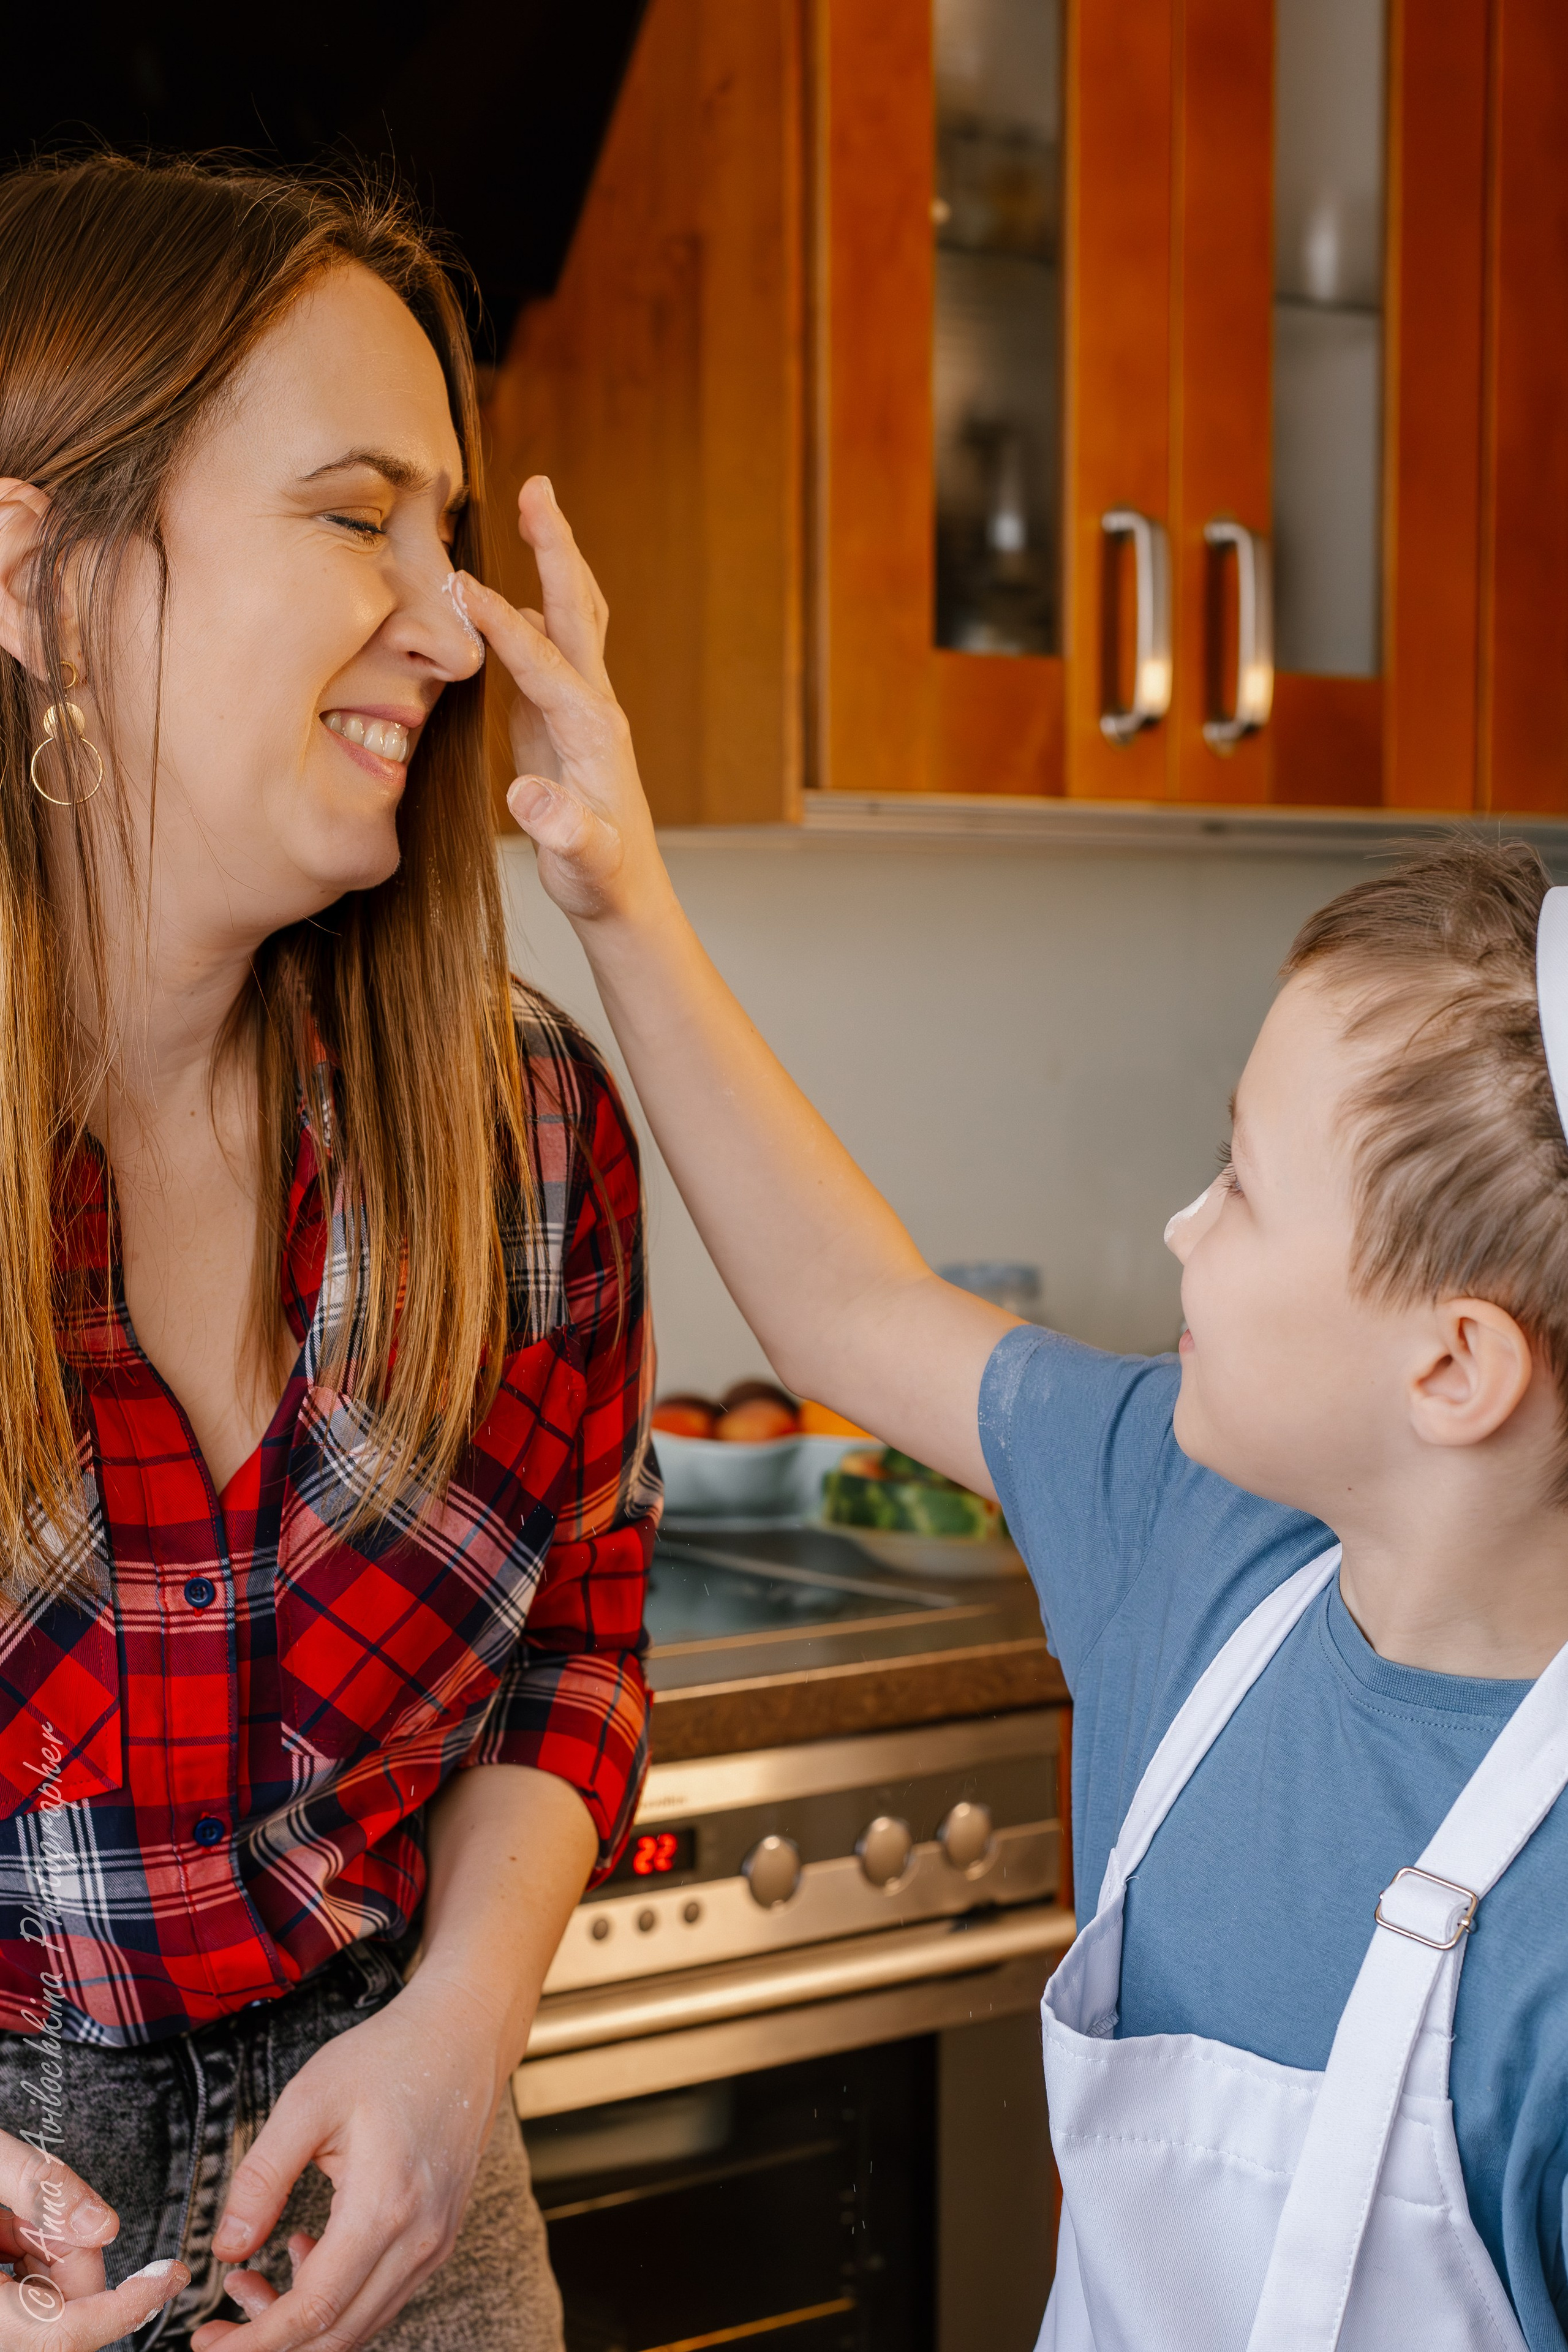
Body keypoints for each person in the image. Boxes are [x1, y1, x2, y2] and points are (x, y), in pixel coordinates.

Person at [461, 489, 1568, 2350]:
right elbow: (849, 1307)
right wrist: (620, 891)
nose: (1177, 1229)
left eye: (1238, 1187)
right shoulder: (1195, 1528)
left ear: (1454, 1371)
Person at [0, 158, 656, 2350]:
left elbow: (573, 1629)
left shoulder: (518, 1125)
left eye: (447, 536)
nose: (453, 620)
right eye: (356, 515)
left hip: (412, 2215)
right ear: (42, 576)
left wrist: (465, 2036)